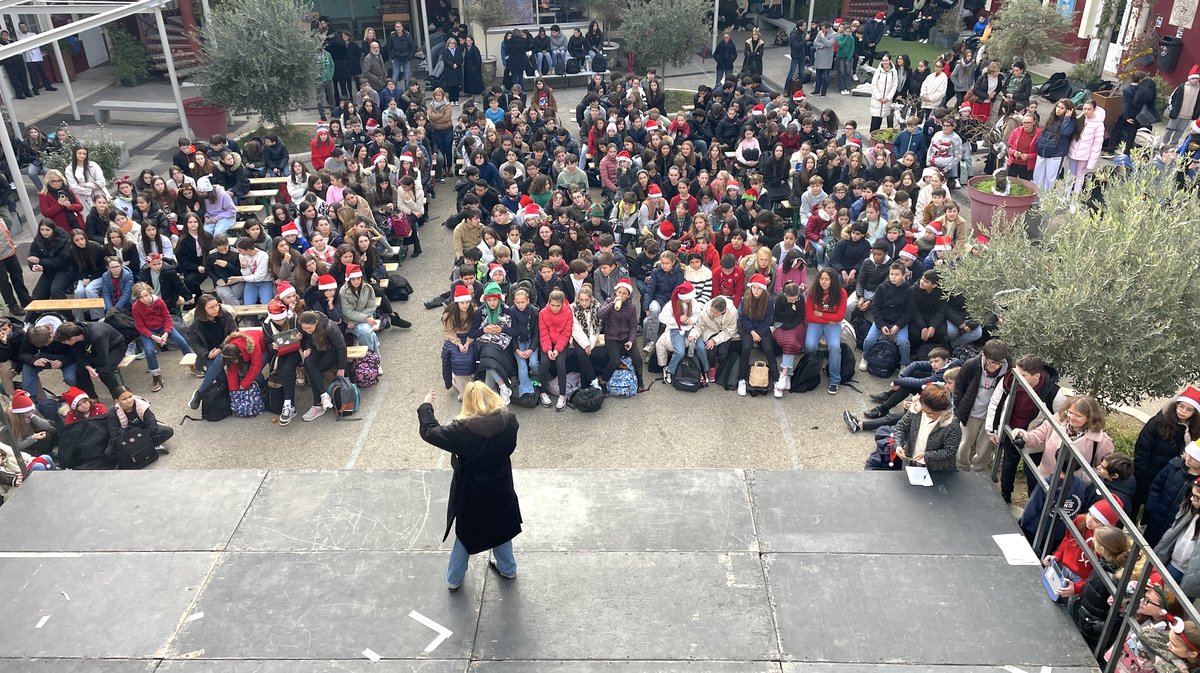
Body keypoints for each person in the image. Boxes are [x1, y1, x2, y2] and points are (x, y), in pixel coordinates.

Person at [417, 381, 522, 591]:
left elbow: (430, 432)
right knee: (502, 530)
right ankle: (508, 569)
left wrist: (426, 407)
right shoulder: (510, 421)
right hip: (501, 488)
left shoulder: (462, 431)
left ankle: (454, 580)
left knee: (466, 536)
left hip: (472, 494)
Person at [985, 354, 1067, 501]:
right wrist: (991, 430)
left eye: (1023, 375)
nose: (1017, 377)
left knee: (1033, 473)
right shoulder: (1009, 380)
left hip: (1036, 441)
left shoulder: (1054, 393)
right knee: (1008, 465)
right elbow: (995, 403)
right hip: (1012, 432)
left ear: (1037, 376)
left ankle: (1032, 500)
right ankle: (1005, 494)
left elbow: (1061, 420)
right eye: (1016, 372)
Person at [1011, 395, 1114, 481]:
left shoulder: (1102, 441)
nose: (1071, 417)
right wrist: (1023, 435)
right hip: (1044, 478)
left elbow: (1103, 469)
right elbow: (1037, 435)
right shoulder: (1056, 421)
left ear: (1090, 417)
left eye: (1078, 416)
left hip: (1073, 488)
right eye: (1069, 412)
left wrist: (1079, 477)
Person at [1135, 388, 1200, 518]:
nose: (1183, 411)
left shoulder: (1195, 430)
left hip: (1172, 479)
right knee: (1137, 503)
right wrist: (1140, 474)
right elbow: (1142, 451)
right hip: (1147, 474)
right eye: (1181, 406)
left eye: (1189, 409)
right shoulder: (1157, 423)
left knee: (1155, 513)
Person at [954, 339, 1011, 471]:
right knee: (964, 443)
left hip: (991, 415)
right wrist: (959, 406)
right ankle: (961, 467)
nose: (995, 366)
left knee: (985, 446)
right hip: (971, 412)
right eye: (992, 363)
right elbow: (959, 386)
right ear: (984, 356)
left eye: (999, 363)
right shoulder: (971, 365)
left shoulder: (1008, 368)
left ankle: (978, 470)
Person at [131, 281, 193, 393]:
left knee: (181, 341)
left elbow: (167, 318)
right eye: (141, 297)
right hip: (148, 330)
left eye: (146, 295)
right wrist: (154, 337)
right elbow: (139, 326)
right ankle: (156, 375)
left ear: (150, 293)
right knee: (149, 351)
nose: (144, 299)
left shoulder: (159, 302)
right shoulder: (136, 307)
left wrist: (166, 333)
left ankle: (192, 364)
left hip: (163, 327)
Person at [891, 383, 961, 472]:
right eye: (924, 411)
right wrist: (898, 445)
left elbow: (950, 451)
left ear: (942, 411)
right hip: (911, 463)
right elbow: (900, 427)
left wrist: (926, 455)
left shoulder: (952, 424)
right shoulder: (916, 410)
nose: (927, 415)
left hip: (937, 470)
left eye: (932, 414)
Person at [54, 320, 126, 400]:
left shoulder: (98, 336)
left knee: (104, 371)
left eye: (64, 341)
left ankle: (119, 398)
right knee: (81, 370)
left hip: (115, 347)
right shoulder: (75, 337)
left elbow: (102, 360)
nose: (63, 343)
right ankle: (92, 398)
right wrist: (88, 366)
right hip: (95, 350)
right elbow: (78, 355)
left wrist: (90, 364)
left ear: (73, 338)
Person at [297, 310, 347, 421]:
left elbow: (341, 347)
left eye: (309, 329)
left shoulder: (330, 327)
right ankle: (323, 395)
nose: (307, 331)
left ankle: (317, 404)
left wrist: (341, 368)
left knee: (316, 371)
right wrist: (307, 348)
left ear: (316, 322)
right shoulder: (302, 325)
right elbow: (305, 339)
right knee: (308, 362)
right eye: (304, 329)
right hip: (316, 348)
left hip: (332, 350)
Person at [737, 273, 777, 396]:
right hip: (747, 328)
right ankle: (742, 379)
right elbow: (742, 319)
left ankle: (776, 380)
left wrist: (759, 332)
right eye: (754, 287)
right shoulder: (745, 299)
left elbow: (768, 319)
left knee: (769, 349)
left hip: (762, 328)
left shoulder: (769, 301)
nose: (756, 290)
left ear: (763, 290)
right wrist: (752, 332)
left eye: (759, 288)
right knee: (746, 347)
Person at [107, 386, 173, 451]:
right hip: (128, 439)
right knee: (110, 452)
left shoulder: (141, 405)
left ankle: (141, 450)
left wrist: (139, 438)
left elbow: (152, 425)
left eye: (130, 396)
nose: (129, 400)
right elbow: (115, 434)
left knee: (168, 431)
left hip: (144, 432)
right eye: (124, 399)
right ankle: (150, 447)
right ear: (117, 401)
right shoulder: (113, 413)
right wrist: (132, 439)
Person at [1032, 99, 1076, 192]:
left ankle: (1046, 201)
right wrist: (1039, 143)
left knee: (1050, 179)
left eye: (1062, 108)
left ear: (1068, 110)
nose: (1058, 110)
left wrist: (1067, 118)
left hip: (1056, 154)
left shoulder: (1070, 122)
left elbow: (1066, 132)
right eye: (1058, 107)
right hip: (1042, 151)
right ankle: (1037, 198)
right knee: (1038, 176)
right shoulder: (1052, 119)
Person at [1065, 99, 1105, 194]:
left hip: (1085, 155)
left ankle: (1075, 199)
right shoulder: (1080, 119)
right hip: (1073, 152)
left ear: (1094, 109)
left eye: (1089, 109)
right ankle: (1066, 196)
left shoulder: (1099, 124)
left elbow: (1097, 145)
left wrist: (1092, 162)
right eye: (1084, 109)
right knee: (1071, 174)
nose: (1086, 111)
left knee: (1079, 176)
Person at [1165, 66, 1200, 148]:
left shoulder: (1199, 90)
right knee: (1169, 129)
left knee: (1180, 131)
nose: (1195, 80)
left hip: (1189, 115)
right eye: (1193, 78)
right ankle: (1164, 142)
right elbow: (1172, 98)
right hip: (1177, 113)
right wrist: (1172, 109)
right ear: (1189, 78)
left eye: (1197, 78)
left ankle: (1173, 144)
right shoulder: (1181, 87)